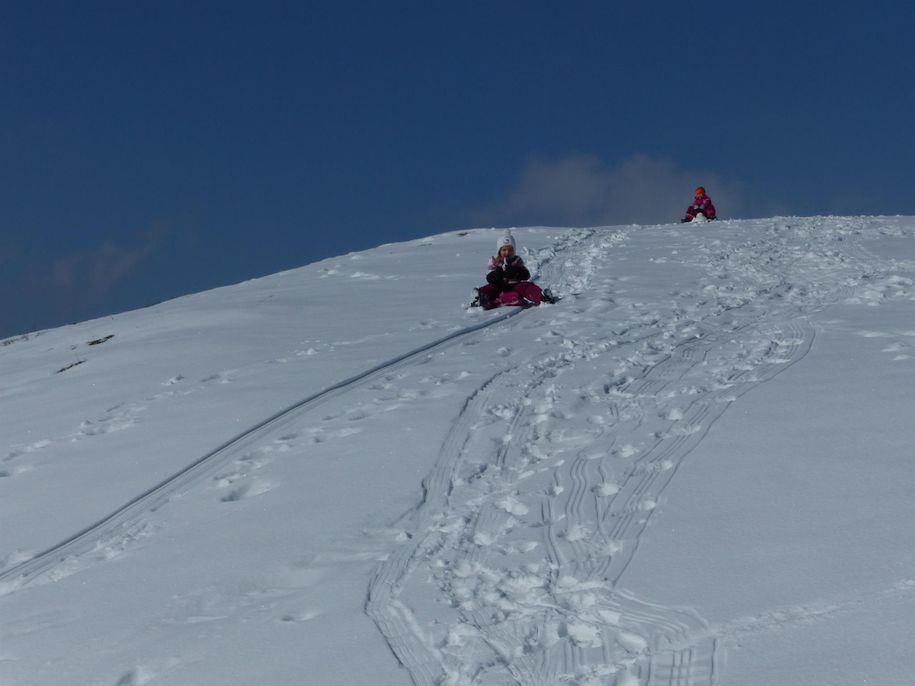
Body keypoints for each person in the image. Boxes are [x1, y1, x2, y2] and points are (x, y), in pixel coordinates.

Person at [473, 231, 554, 310]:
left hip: (515, 286)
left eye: (510, 250)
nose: (507, 252)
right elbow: (489, 277)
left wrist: (515, 271)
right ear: (499, 251)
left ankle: (541, 297)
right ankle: (479, 297)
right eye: (504, 250)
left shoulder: (517, 261)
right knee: (490, 287)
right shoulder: (494, 262)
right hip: (499, 287)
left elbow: (526, 275)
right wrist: (497, 274)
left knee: (526, 286)